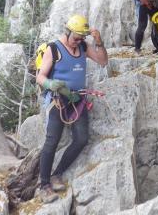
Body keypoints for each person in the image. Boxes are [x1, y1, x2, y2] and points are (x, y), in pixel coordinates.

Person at [36, 14, 108, 203]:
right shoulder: (54, 49)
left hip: (78, 99)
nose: (79, 41)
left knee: (82, 138)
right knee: (52, 141)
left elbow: (103, 61)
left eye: (82, 38)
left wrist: (99, 42)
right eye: (76, 37)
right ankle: (43, 186)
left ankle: (56, 174)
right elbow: (40, 77)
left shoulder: (83, 47)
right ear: (67, 32)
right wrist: (51, 84)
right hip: (58, 100)